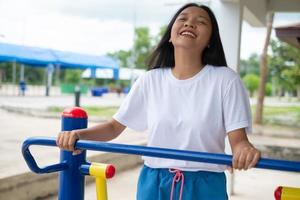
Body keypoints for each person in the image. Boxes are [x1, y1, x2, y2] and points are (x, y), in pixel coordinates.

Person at [57, 3, 261, 200]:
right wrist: (78, 135)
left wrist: (244, 150)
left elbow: (239, 142)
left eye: (201, 22)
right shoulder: (150, 80)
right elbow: (113, 127)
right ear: (171, 36)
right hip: (154, 182)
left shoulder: (226, 80)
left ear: (210, 40)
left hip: (205, 185)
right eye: (182, 19)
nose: (189, 23)